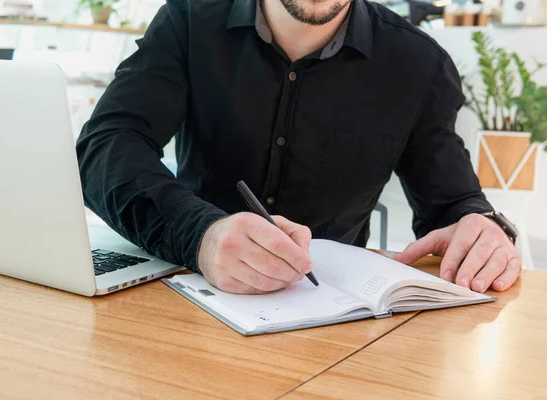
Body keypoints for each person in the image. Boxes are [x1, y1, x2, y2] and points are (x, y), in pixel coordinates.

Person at [77, 0, 521, 295]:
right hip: (179, 289)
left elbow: (455, 204)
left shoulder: (418, 63)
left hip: (333, 322)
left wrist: (481, 228)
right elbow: (106, 144)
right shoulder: (189, 19)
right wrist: (199, 235)